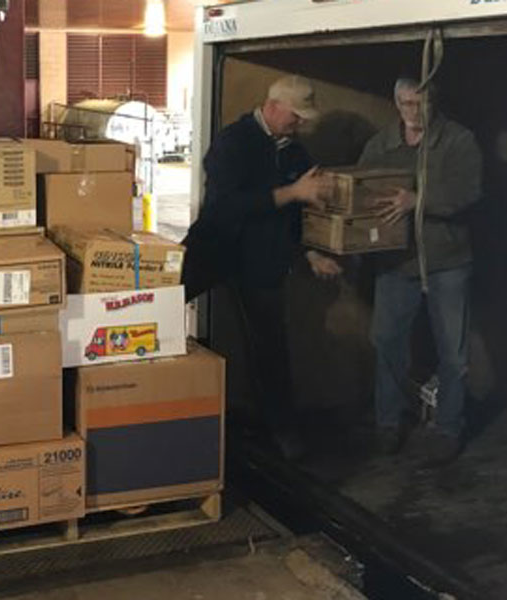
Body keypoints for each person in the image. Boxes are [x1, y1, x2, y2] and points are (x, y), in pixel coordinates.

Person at [181, 74, 336, 460]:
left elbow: (296, 217)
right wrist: (291, 192)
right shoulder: (232, 143)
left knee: (271, 347)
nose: (298, 124)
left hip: (262, 262)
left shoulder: (297, 155)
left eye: (303, 118)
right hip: (213, 250)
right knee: (158, 310)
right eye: (294, 116)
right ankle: (160, 407)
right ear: (273, 105)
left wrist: (310, 253)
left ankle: (281, 430)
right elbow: (226, 206)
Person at [356, 78, 482, 464]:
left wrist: (418, 200)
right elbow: (360, 188)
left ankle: (448, 428)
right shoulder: (381, 145)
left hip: (446, 259)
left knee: (453, 352)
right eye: (407, 104)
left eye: (421, 103)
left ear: (434, 102)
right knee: (387, 341)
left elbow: (468, 192)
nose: (414, 112)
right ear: (396, 104)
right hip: (397, 260)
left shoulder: (459, 141)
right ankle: (388, 424)